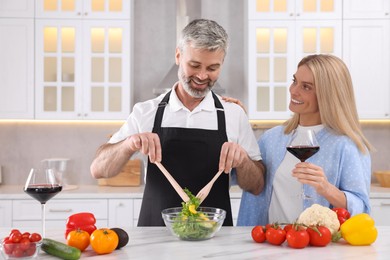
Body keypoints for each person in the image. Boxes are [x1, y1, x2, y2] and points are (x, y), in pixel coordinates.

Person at [90, 19, 265, 226]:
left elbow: (256, 186)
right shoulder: (145, 112)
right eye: (194, 65)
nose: (202, 76)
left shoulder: (234, 115)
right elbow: (99, 170)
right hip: (155, 237)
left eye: (212, 68)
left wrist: (243, 160)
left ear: (222, 63)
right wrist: (130, 143)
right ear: (178, 56)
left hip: (215, 241)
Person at [236, 54, 374, 226]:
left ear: (328, 95)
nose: (294, 90)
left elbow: (361, 208)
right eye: (295, 81)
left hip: (316, 248)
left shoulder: (347, 146)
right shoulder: (271, 139)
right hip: (269, 243)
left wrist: (326, 188)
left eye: (306, 87)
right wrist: (234, 120)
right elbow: (246, 179)